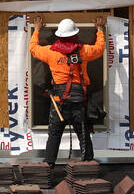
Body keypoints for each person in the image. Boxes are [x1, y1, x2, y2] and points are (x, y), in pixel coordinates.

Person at [29, 15, 105, 168]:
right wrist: (100, 29)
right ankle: (88, 165)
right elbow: (100, 48)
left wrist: (36, 30)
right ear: (75, 35)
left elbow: (33, 49)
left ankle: (48, 167)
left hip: (59, 104)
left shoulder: (51, 52)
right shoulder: (83, 51)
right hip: (78, 103)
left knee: (54, 136)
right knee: (83, 135)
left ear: (59, 35)